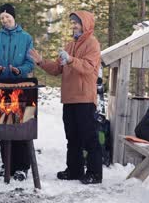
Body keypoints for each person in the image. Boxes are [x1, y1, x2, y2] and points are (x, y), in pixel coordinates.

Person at [29, 11, 103, 184]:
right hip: (69, 99)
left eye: (76, 23)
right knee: (72, 137)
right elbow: (56, 69)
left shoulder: (93, 44)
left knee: (89, 137)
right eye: (72, 23)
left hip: (84, 98)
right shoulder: (70, 45)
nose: (73, 26)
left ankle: (95, 173)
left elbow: (88, 67)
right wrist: (41, 61)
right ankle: (75, 170)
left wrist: (70, 60)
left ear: (85, 24)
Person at [0, 3, 34, 181]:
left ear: (14, 17)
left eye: (8, 17)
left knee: (21, 126)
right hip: (1, 87)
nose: (5, 20)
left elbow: (30, 63)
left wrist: (19, 70)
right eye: (2, 18)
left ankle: (22, 166)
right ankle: (7, 163)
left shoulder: (26, 38)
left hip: (21, 88)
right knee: (4, 126)